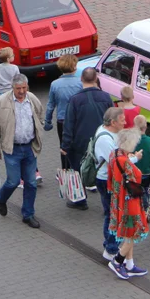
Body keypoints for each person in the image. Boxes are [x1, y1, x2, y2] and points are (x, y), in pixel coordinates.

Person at [0, 73, 44, 228]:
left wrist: (39, 128)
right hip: (11, 149)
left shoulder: (32, 99)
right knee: (13, 181)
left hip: (29, 147)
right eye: (18, 88)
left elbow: (40, 115)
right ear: (12, 87)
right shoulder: (2, 101)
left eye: (24, 88)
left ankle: (28, 214)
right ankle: (1, 199)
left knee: (31, 183)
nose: (21, 91)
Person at [60, 67, 114, 210]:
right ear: (96, 79)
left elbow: (69, 124)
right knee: (104, 171)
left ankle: (80, 200)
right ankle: (108, 206)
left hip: (80, 143)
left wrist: (65, 145)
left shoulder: (75, 100)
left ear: (81, 79)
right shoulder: (106, 97)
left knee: (78, 171)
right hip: (102, 141)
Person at [106, 126, 149, 279]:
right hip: (129, 201)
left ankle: (129, 264)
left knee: (127, 233)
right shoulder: (124, 161)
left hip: (118, 199)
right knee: (134, 232)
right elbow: (137, 175)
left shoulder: (115, 154)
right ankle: (118, 261)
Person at [90, 106, 125, 260]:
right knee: (112, 215)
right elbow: (116, 162)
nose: (125, 123)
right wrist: (134, 158)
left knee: (113, 214)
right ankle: (111, 249)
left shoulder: (110, 132)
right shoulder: (105, 139)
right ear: (113, 122)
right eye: (122, 120)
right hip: (106, 181)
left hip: (110, 178)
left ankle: (112, 245)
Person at [43, 54, 82, 151]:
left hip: (62, 121)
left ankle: (65, 166)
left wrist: (48, 121)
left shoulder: (55, 84)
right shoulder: (80, 83)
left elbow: (51, 105)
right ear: (74, 67)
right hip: (78, 120)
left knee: (64, 148)